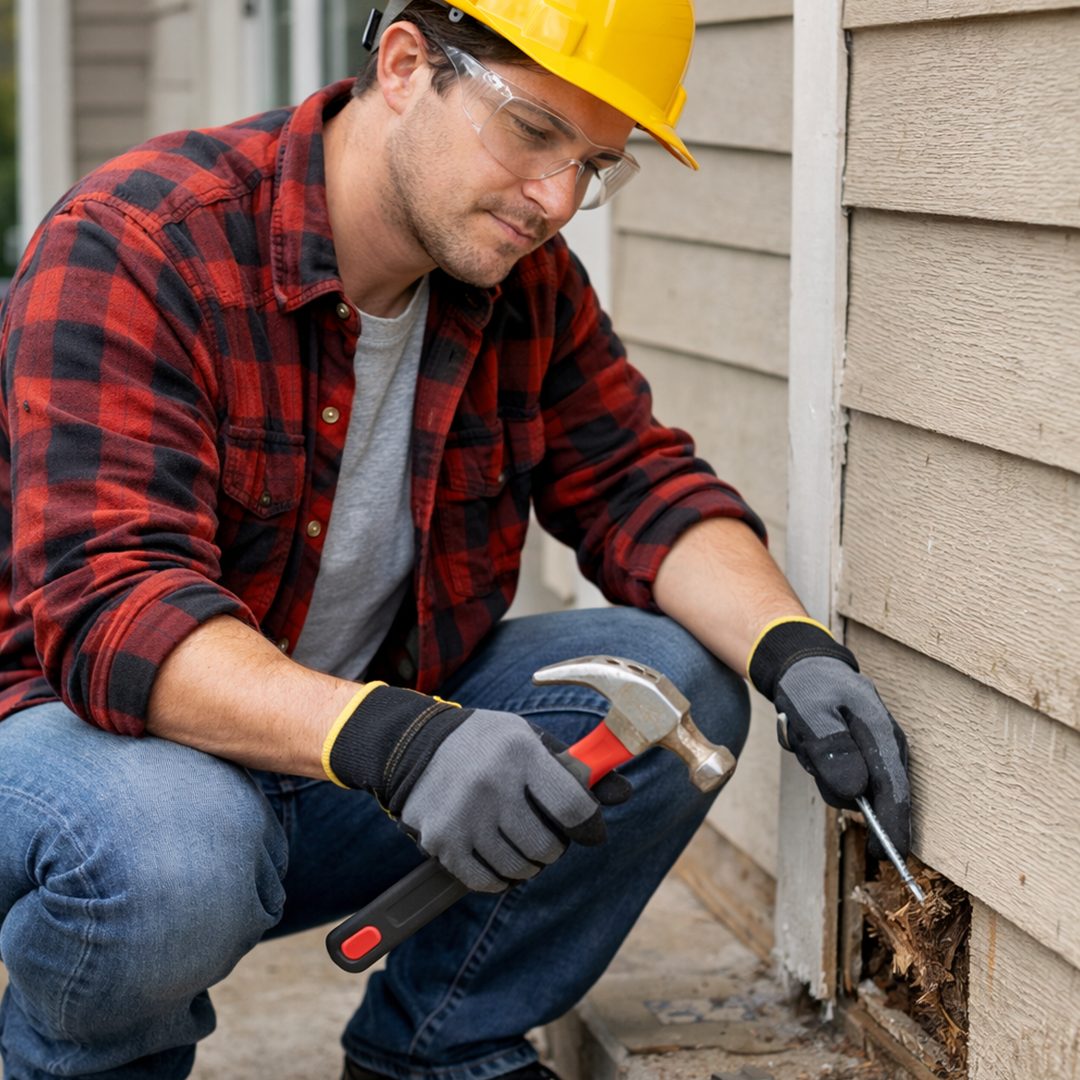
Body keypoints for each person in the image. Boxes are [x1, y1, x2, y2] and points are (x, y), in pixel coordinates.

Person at [0, 0, 912, 1076]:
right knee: (179, 848)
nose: (558, 199)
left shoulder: (517, 280)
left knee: (669, 691)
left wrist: (792, 646)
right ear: (402, 65)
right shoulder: (142, 241)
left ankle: (437, 1050)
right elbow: (118, 611)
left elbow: (636, 486)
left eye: (596, 165)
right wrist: (404, 741)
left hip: (345, 758)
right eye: (532, 132)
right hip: (92, 756)